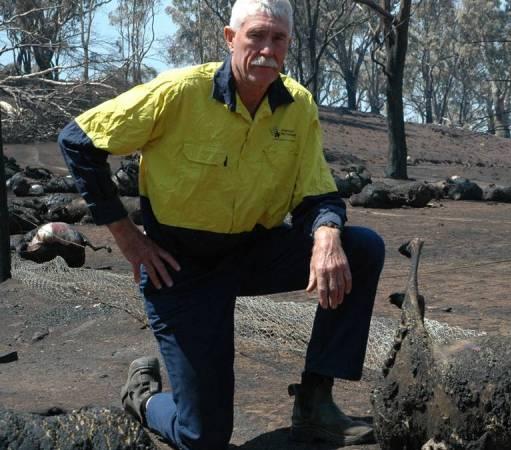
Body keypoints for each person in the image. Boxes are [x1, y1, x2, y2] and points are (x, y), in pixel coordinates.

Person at [57, 0, 384, 447]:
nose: (267, 49)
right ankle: (144, 398)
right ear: (231, 39)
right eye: (256, 36)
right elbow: (78, 140)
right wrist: (129, 239)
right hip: (180, 269)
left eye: (278, 39)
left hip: (254, 253)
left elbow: (316, 193)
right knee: (203, 436)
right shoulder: (178, 93)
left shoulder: (298, 106)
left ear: (288, 45)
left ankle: (315, 402)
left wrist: (327, 234)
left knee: (359, 248)